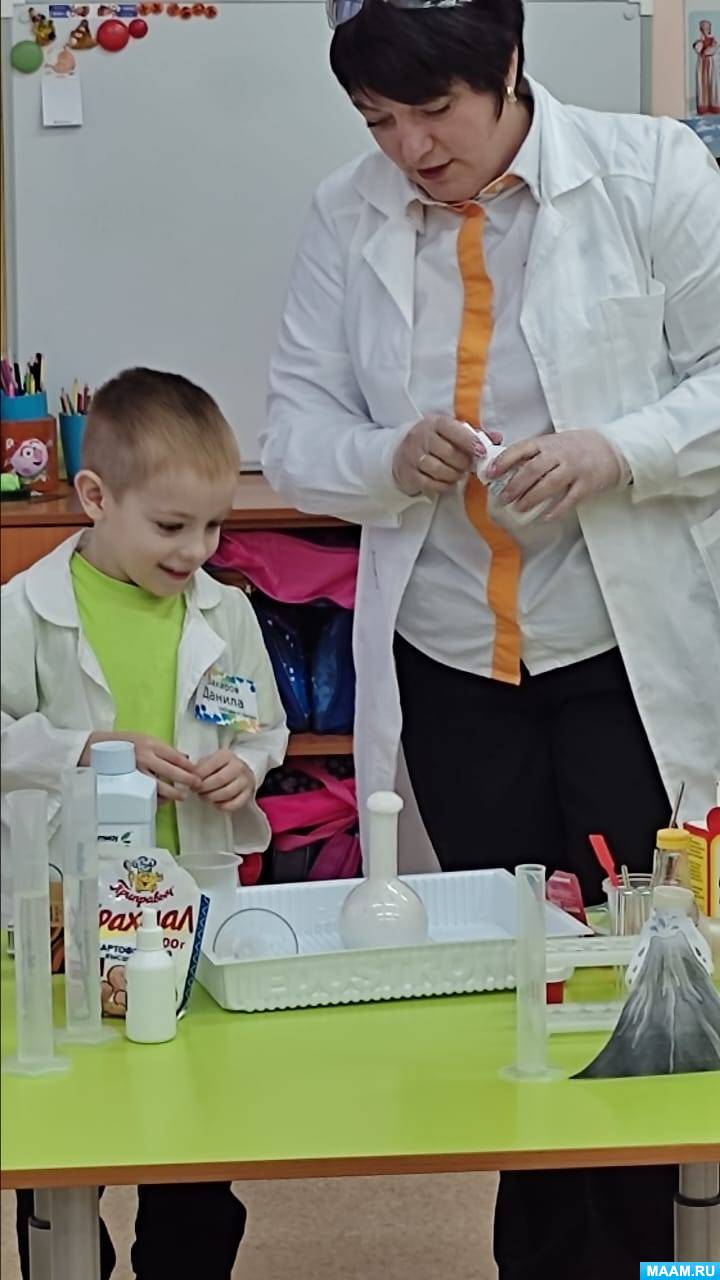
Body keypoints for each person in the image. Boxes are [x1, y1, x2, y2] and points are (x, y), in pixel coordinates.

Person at [262, 1, 720, 1276]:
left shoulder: (650, 173)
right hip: (456, 661)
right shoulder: (346, 213)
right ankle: (546, 1261)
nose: (411, 149)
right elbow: (295, 429)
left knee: (653, 982)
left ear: (510, 68)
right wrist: (382, 454)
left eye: (435, 111)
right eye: (378, 122)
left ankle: (673, 1260)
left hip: (621, 651)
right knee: (510, 982)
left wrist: (615, 450)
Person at [1, 367, 288, 1279]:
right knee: (66, 1146)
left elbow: (263, 727)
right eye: (171, 527)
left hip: (193, 904)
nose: (196, 551)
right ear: (95, 497)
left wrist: (246, 767)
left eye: (214, 527)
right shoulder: (25, 612)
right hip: (70, 918)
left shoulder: (226, 612)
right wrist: (82, 747)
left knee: (194, 1141)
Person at [693, 19, 720, 115]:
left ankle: (714, 106)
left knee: (712, 83)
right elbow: (698, 48)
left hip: (712, 64)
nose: (705, 29)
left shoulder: (714, 40)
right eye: (703, 28)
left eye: (707, 28)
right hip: (702, 65)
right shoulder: (699, 41)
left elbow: (714, 49)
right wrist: (702, 42)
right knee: (702, 84)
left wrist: (707, 50)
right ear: (701, 29)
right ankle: (703, 107)